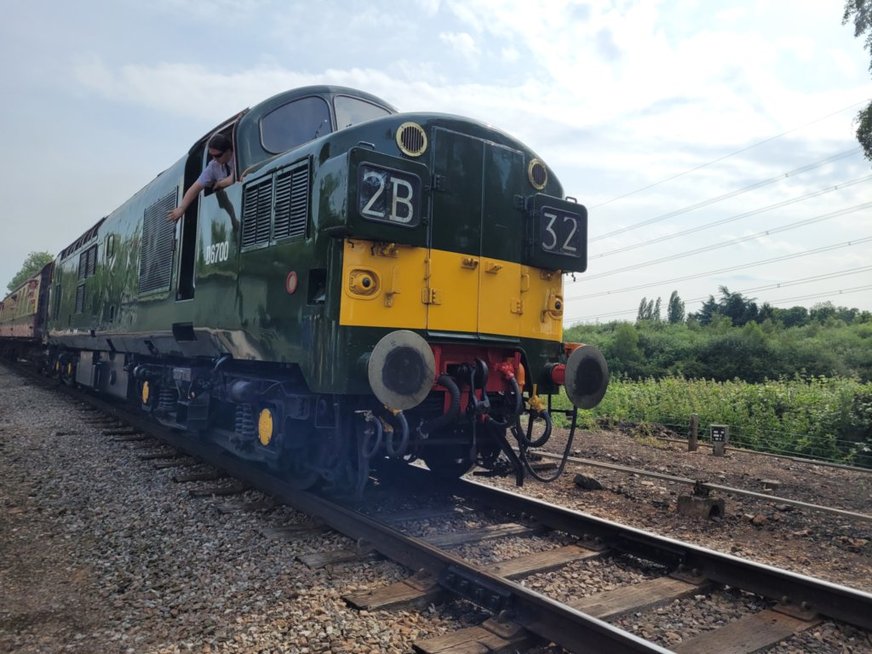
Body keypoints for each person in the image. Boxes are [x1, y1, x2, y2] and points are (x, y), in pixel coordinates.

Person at [167, 133, 235, 222]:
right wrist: (182, 208)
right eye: (212, 156)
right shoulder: (213, 166)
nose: (214, 159)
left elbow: (237, 176)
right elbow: (195, 187)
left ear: (228, 150)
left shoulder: (239, 157)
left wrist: (220, 184)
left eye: (218, 155)